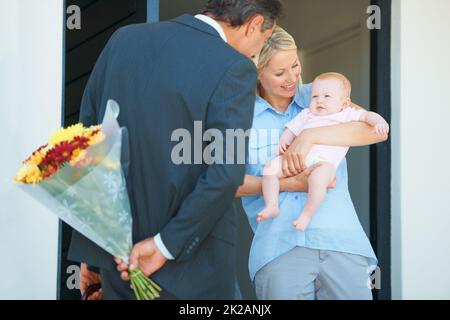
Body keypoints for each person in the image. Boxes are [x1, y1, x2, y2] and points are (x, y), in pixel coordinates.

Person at [68, 0, 283, 300]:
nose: (257, 50)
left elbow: (87, 138)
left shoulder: (123, 39)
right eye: (264, 38)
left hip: (116, 260)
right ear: (254, 24)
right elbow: (225, 173)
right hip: (191, 272)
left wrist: (93, 249)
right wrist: (164, 245)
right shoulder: (234, 67)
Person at [236, 26, 386, 300]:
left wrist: (310, 135)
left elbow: (372, 130)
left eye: (295, 65)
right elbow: (229, 183)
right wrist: (291, 183)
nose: (292, 78)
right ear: (255, 73)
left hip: (341, 239)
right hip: (278, 247)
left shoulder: (321, 93)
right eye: (279, 73)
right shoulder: (238, 114)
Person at [257, 72, 389, 231]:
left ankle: (307, 214)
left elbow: (368, 116)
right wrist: (285, 139)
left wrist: (379, 122)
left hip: (323, 163)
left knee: (318, 181)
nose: (319, 100)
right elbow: (291, 129)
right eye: (314, 96)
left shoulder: (346, 114)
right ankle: (272, 205)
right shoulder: (306, 114)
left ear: (344, 103)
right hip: (296, 162)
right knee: (270, 168)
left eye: (327, 96)